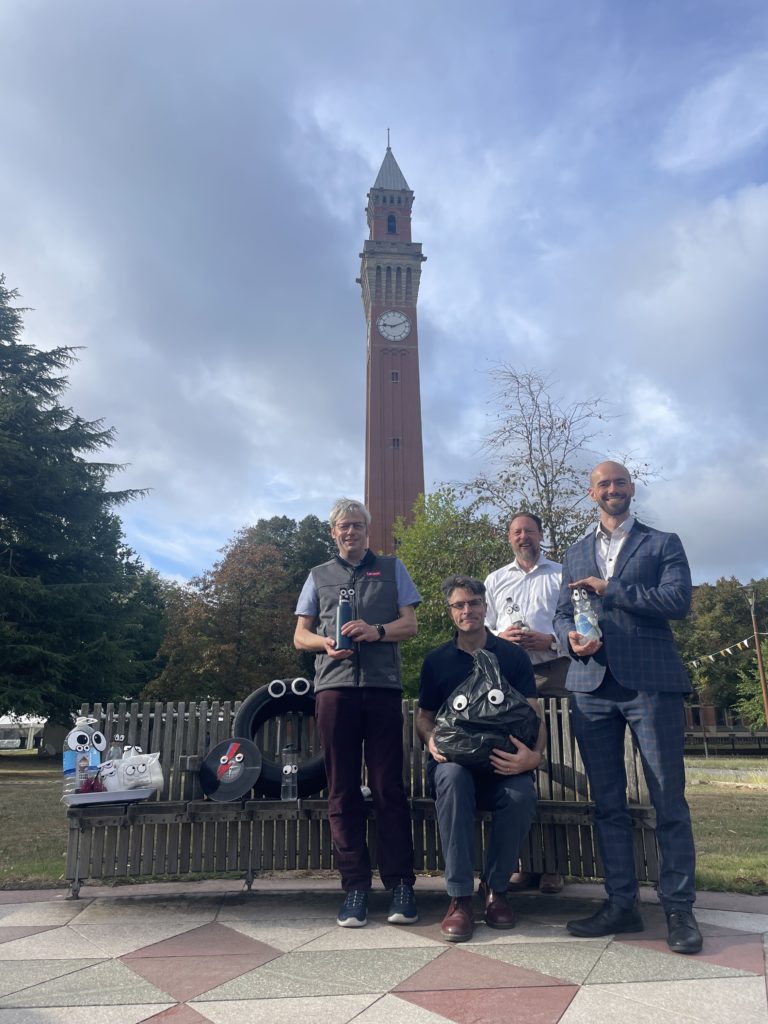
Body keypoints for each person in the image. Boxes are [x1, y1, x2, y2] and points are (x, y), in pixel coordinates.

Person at [553, 461, 702, 955]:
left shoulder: (663, 543)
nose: (612, 490)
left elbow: (677, 600)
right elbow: (559, 614)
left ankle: (679, 909)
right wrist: (571, 642)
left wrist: (609, 589)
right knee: (607, 804)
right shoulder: (574, 553)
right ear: (591, 493)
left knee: (668, 800)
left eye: (619, 482)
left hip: (651, 685)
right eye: (603, 484)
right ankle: (621, 904)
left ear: (630, 489)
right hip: (591, 686)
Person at [294, 498, 420, 928]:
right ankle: (355, 889)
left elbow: (411, 625)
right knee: (342, 790)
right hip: (333, 688)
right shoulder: (317, 576)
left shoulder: (392, 568)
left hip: (383, 688)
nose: (351, 532)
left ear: (369, 530)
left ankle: (401, 885)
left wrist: (376, 631)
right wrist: (325, 643)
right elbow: (300, 635)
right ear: (333, 532)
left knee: (389, 788)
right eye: (343, 527)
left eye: (358, 526)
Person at [417, 575, 546, 942]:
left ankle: (496, 888)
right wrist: (430, 740)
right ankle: (459, 898)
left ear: (486, 607)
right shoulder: (438, 661)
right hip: (455, 764)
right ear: (450, 612)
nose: (467, 610)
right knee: (453, 782)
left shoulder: (512, 657)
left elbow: (534, 717)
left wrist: (532, 758)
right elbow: (424, 718)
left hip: (505, 764)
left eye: (473, 603)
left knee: (521, 795)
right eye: (459, 605)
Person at [484, 511, 570, 894]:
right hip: (511, 681)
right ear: (509, 538)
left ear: (540, 535)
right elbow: (481, 627)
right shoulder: (495, 580)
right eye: (517, 532)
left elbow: (578, 623)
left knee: (559, 767)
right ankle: (524, 863)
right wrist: (500, 637)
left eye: (530, 531)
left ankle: (554, 866)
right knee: (517, 769)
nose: (524, 537)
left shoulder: (561, 574)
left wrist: (550, 640)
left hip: (555, 673)